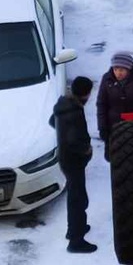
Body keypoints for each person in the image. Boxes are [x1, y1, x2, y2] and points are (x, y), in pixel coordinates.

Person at [52, 76, 96, 254]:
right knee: (77, 200)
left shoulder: (62, 105)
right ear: (85, 94)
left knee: (77, 196)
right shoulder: (74, 112)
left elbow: (51, 121)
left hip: (66, 160)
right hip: (74, 162)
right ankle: (76, 240)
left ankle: (76, 229)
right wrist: (86, 150)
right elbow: (73, 141)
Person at [96, 51, 133, 159]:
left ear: (128, 68)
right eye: (115, 69)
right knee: (115, 159)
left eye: (121, 70)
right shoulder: (107, 79)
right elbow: (101, 104)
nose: (118, 73)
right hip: (114, 127)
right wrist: (102, 127)